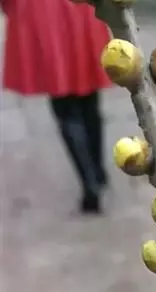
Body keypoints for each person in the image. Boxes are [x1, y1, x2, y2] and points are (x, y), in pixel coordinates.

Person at [1, 0, 112, 214]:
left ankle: (90, 182)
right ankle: (97, 172)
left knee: (66, 108)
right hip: (82, 10)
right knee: (89, 99)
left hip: (43, 14)